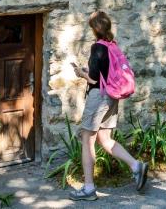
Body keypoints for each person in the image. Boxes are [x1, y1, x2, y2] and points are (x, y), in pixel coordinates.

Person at [69, 11, 149, 201]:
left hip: (99, 98)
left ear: (94, 28)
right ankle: (136, 166)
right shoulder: (112, 45)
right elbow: (104, 72)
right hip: (112, 96)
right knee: (104, 138)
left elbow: (94, 79)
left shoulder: (97, 47)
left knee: (87, 140)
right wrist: (89, 71)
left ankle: (88, 188)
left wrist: (81, 74)